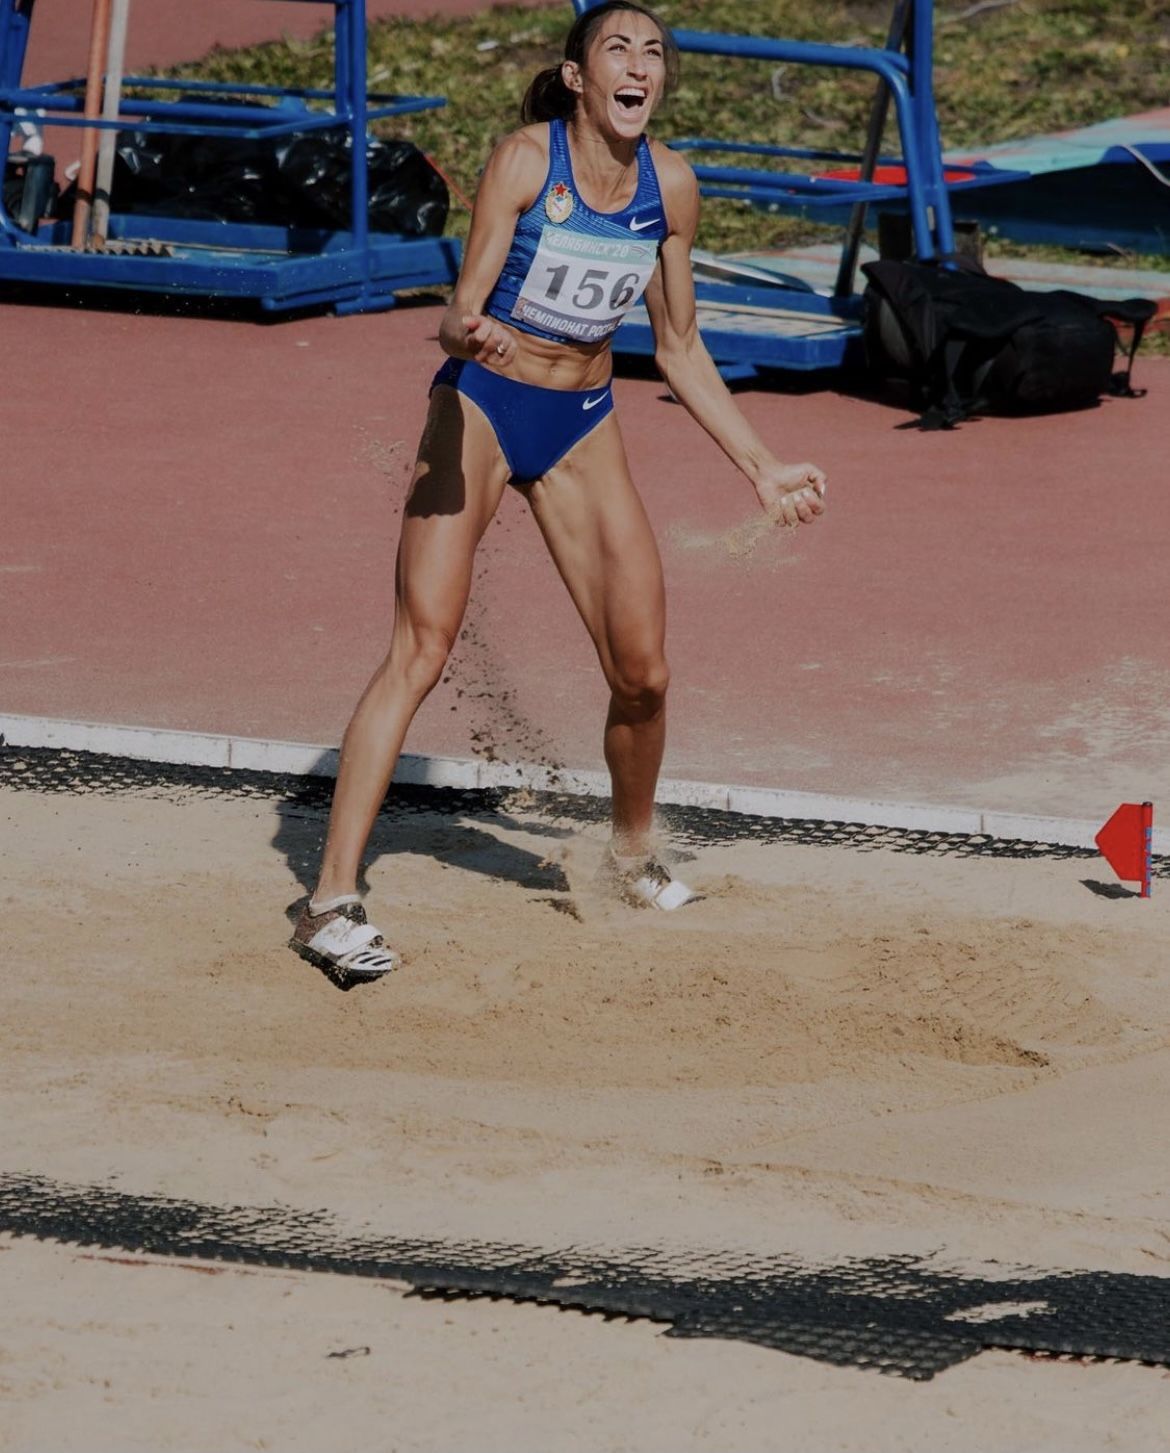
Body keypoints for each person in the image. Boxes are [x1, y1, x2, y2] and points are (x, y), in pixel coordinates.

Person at [290, 0, 827, 979]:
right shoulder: (525, 163)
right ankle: (329, 901)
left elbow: (679, 346)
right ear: (579, 78)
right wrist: (470, 334)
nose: (639, 66)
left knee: (644, 673)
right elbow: (456, 312)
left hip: (583, 421)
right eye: (618, 49)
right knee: (422, 647)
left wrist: (762, 465)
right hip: (483, 405)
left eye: (653, 53)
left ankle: (630, 859)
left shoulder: (670, 186)